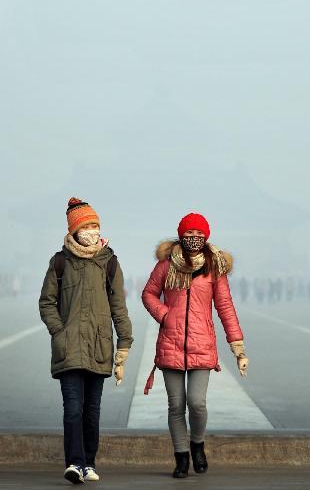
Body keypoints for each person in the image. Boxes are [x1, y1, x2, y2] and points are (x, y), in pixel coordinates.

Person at [141, 212, 248, 479]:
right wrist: (165, 314)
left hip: (202, 344)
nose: (194, 239)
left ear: (206, 236)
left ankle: (197, 444)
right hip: (171, 343)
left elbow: (225, 306)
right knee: (176, 405)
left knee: (197, 402)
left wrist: (237, 347)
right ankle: (181, 458)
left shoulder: (214, 268)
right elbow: (148, 293)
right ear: (181, 235)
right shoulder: (166, 266)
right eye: (189, 234)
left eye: (199, 234)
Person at [39, 198, 133, 485]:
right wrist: (59, 331)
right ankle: (74, 463)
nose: (93, 230)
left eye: (96, 225)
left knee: (92, 411)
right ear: (75, 230)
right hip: (69, 348)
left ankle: (89, 461)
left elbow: (119, 306)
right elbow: (46, 302)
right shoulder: (60, 262)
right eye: (87, 226)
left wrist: (124, 342)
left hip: (99, 346)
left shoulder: (109, 263)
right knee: (73, 408)